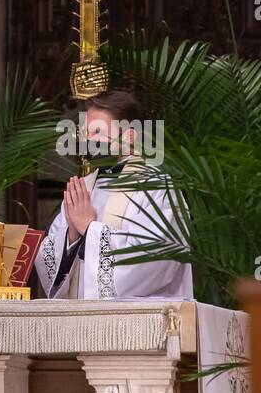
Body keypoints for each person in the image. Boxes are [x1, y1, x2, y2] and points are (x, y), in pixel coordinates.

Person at [35, 89, 192, 299]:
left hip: (137, 324)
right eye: (87, 133)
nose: (89, 141)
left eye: (97, 132)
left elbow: (157, 258)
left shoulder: (156, 186)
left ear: (129, 136)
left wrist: (89, 229)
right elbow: (48, 260)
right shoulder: (84, 187)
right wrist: (71, 235)